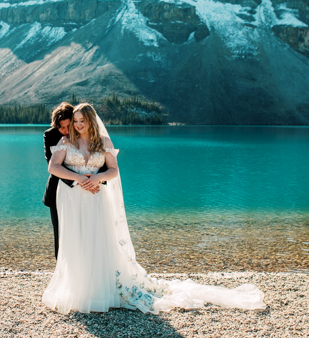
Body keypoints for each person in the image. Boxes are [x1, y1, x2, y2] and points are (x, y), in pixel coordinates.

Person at [42, 102, 266, 314]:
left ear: (91, 120)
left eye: (82, 120)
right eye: (76, 120)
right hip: (73, 200)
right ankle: (79, 290)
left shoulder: (103, 142)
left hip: (97, 199)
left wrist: (98, 178)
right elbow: (54, 167)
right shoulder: (66, 142)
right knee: (77, 241)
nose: (78, 125)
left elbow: (113, 170)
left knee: (98, 242)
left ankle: (100, 292)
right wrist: (80, 179)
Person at [42, 102, 100, 259]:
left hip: (90, 192)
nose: (66, 131)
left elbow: (99, 160)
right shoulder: (51, 135)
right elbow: (53, 166)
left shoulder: (87, 136)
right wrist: (79, 180)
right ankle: (62, 274)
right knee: (61, 234)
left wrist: (95, 180)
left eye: (70, 126)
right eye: (62, 128)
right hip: (58, 191)